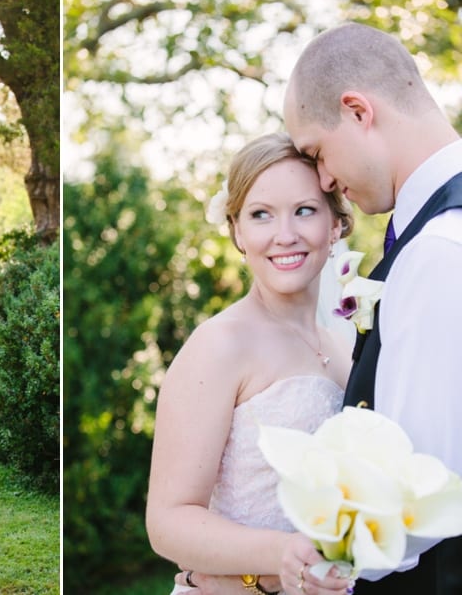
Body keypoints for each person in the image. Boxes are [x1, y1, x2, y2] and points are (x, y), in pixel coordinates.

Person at [284, 22, 462, 594]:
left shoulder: (437, 253)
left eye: (317, 152)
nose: (326, 179)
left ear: (358, 111)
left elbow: (419, 493)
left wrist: (301, 569)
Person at [145, 132, 355, 595]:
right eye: (261, 215)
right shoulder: (220, 345)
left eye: (305, 210)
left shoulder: (345, 348)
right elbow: (168, 522)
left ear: (336, 223)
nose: (285, 235)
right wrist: (277, 559)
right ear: (238, 230)